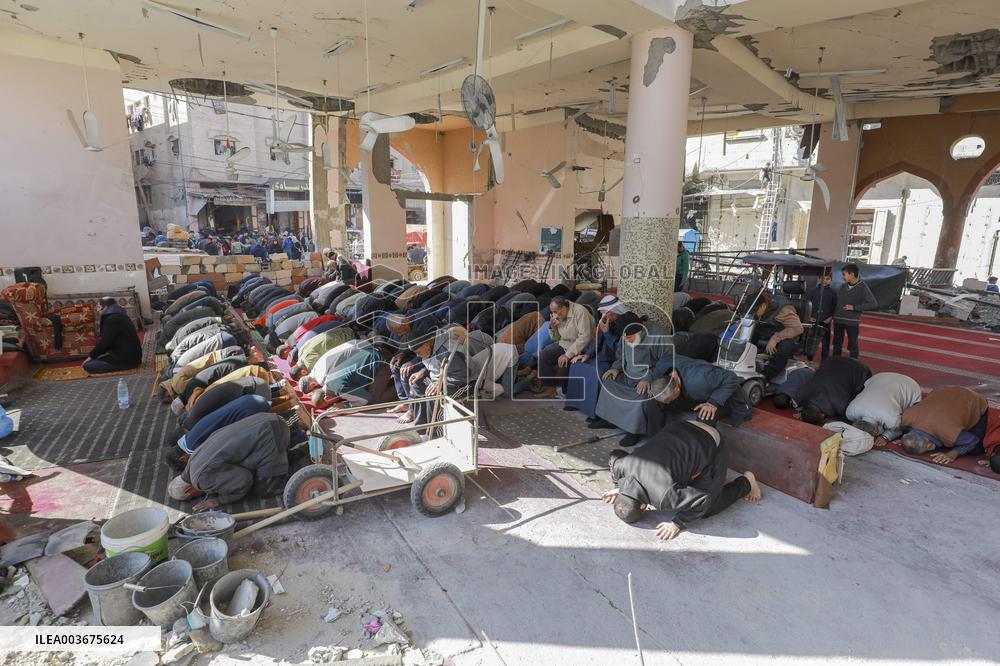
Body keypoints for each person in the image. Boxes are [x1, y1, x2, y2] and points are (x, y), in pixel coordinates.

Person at [603, 420, 762, 541]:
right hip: (683, 425)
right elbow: (614, 455)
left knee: (708, 509)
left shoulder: (664, 496)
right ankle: (717, 479)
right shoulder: (622, 468)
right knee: (683, 479)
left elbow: (703, 500)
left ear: (644, 506)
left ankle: (747, 482)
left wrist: (677, 523)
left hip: (713, 441)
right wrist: (618, 485)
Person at [167, 412, 290, 511]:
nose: (197, 497)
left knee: (265, 490)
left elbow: (244, 480)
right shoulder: (192, 459)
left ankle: (302, 457)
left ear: (188, 490)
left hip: (271, 434)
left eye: (191, 497)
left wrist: (218, 500)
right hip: (267, 418)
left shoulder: (200, 480)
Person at [591, 314, 672, 447]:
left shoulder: (659, 335)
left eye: (629, 338)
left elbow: (667, 362)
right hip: (628, 375)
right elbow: (620, 354)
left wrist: (648, 378)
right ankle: (609, 419)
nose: (627, 341)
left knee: (640, 396)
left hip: (649, 378)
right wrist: (616, 368)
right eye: (625, 338)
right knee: (609, 382)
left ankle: (633, 432)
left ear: (640, 330)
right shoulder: (626, 335)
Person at [644, 355, 753, 437]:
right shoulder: (662, 366)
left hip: (721, 398)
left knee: (705, 415)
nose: (668, 403)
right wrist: (653, 387)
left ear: (676, 388)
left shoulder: (702, 378)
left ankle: (702, 455)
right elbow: (656, 375)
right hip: (693, 395)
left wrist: (713, 402)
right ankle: (654, 440)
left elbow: (732, 378)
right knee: (653, 401)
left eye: (669, 399)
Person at [563, 295, 626, 419]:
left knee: (596, 373)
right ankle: (575, 403)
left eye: (605, 313)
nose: (604, 316)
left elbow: (619, 349)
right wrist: (587, 354)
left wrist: (607, 332)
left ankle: (594, 413)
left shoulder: (624, 323)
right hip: (601, 357)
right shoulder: (606, 320)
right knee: (577, 365)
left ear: (613, 312)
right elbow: (598, 340)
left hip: (614, 361)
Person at [898, 386, 989, 465]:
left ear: (929, 445)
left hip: (973, 398)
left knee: (976, 450)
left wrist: (953, 453)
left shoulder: (950, 433)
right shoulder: (906, 417)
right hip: (943, 389)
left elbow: (973, 441)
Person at [531, 295, 594, 398]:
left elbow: (585, 337)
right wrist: (552, 327)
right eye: (552, 312)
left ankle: (566, 393)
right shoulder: (559, 315)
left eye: (556, 312)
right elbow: (556, 339)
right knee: (544, 355)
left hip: (581, 346)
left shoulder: (580, 312)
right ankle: (550, 390)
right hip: (564, 344)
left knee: (564, 364)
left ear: (564, 308)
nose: (554, 315)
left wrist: (567, 355)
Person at [845, 372, 922, 446]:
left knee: (911, 416)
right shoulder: (850, 412)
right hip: (880, 376)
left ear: (877, 430)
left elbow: (899, 429)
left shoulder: (892, 420)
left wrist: (885, 437)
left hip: (910, 384)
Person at [795, 356, 872, 425]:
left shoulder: (842, 406)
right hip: (832, 360)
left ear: (822, 415)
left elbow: (850, 416)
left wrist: (836, 419)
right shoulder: (802, 394)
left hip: (861, 370)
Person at [749, 290, 803, 380]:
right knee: (751, 330)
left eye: (755, 311)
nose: (753, 313)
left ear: (763, 306)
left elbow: (798, 328)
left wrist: (775, 338)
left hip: (786, 332)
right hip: (768, 329)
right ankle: (745, 362)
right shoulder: (757, 301)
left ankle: (767, 375)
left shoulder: (783, 310)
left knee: (786, 344)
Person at [83, 297, 142, 374]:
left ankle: (122, 366)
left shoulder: (112, 319)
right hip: (131, 356)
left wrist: (91, 356)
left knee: (89, 366)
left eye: (98, 307)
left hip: (127, 360)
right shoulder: (120, 315)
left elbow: (104, 342)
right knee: (99, 358)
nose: (97, 310)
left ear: (105, 307)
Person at [832, 263, 877, 359]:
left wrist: (854, 307)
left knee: (853, 344)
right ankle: (835, 363)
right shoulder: (843, 287)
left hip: (852, 321)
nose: (843, 277)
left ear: (852, 274)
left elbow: (873, 304)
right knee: (837, 343)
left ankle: (853, 364)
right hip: (838, 320)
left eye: (844, 274)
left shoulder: (863, 287)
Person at [807, 272, 837, 360]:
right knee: (811, 340)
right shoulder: (813, 291)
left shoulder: (833, 293)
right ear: (819, 279)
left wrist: (831, 317)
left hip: (825, 321)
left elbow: (835, 307)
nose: (825, 281)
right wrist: (809, 316)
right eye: (823, 278)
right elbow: (808, 304)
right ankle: (810, 358)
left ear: (831, 281)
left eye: (827, 279)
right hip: (813, 320)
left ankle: (824, 360)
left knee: (825, 342)